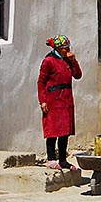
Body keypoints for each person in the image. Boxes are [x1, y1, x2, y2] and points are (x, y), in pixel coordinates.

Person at [38, 34, 82, 169]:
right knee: (53, 130)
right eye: (64, 48)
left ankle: (63, 159)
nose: (67, 50)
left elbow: (78, 75)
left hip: (66, 99)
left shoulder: (68, 60)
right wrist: (43, 101)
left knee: (65, 131)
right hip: (53, 99)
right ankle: (51, 158)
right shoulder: (49, 61)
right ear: (57, 48)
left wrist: (74, 61)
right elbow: (41, 81)